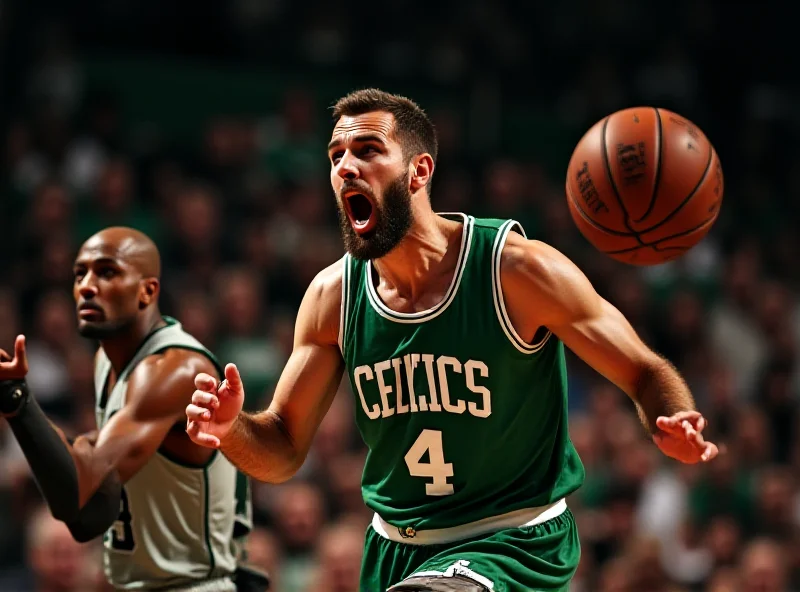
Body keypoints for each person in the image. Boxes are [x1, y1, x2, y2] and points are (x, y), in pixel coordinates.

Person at [186, 89, 719, 592]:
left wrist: (671, 416)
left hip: (513, 542)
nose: (345, 166)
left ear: (419, 170)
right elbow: (281, 447)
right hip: (394, 549)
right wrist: (232, 429)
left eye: (369, 150)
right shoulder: (331, 297)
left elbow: (644, 370)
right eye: (335, 155)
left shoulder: (514, 268)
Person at [0, 227, 266, 591]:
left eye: (107, 272)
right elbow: (88, 516)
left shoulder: (174, 370)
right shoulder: (106, 363)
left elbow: (77, 490)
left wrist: (18, 400)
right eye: (80, 274)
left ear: (148, 291)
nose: (87, 286)